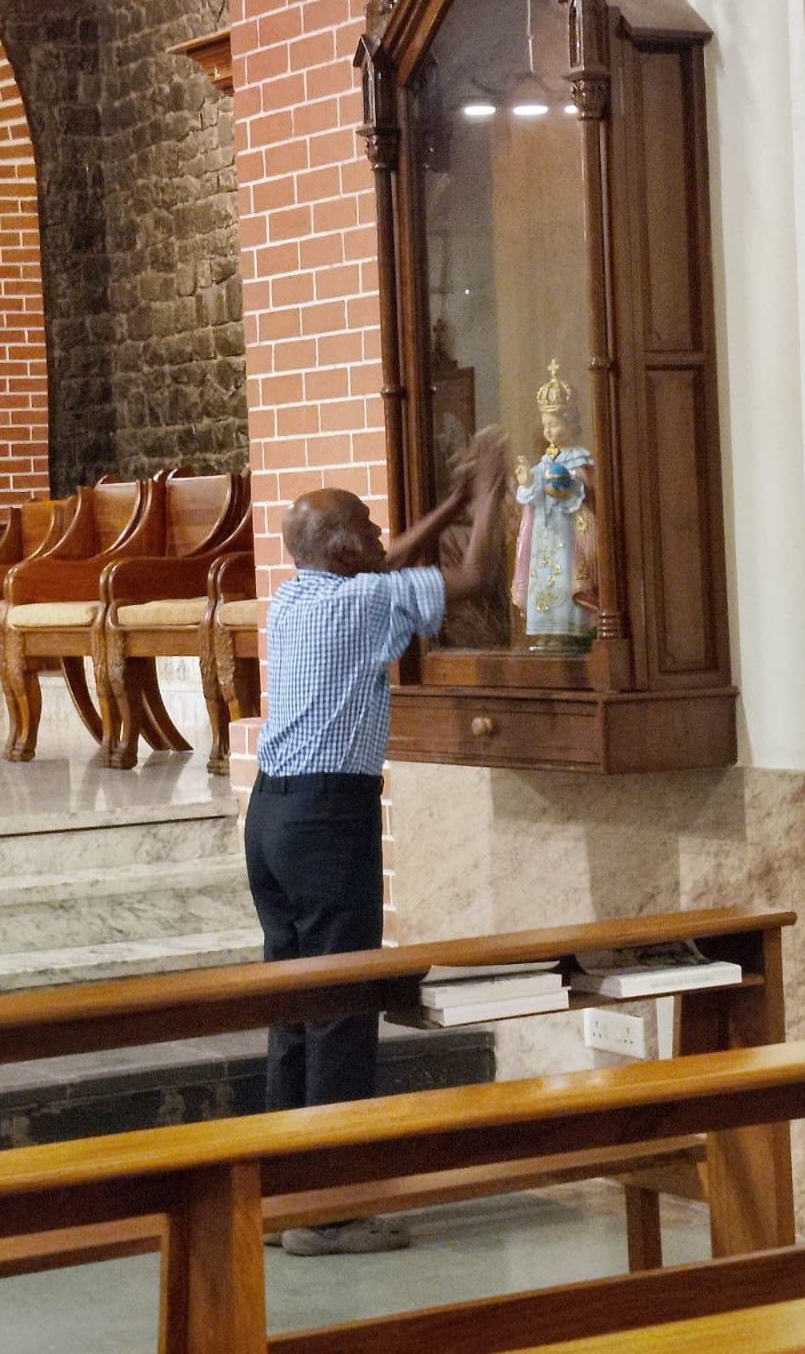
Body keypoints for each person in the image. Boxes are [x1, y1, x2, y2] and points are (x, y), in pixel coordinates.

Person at [245, 429, 507, 1255]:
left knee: (294, 1010)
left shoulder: (295, 597)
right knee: (341, 1010)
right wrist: (493, 491)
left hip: (272, 820)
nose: (377, 533)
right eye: (365, 523)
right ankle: (330, 1213)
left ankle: (279, 1198)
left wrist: (453, 505)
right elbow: (472, 579)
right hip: (327, 821)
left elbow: (386, 559)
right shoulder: (363, 602)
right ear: (342, 548)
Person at [512, 361, 597, 653]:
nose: (548, 430)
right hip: (544, 535)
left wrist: (567, 486)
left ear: (570, 422)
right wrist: (527, 481)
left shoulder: (579, 456)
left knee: (563, 578)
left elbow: (585, 485)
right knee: (543, 580)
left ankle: (565, 632)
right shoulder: (545, 461)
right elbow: (532, 495)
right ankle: (544, 632)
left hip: (567, 535)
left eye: (555, 423)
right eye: (545, 424)